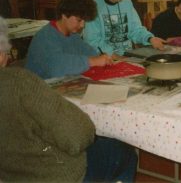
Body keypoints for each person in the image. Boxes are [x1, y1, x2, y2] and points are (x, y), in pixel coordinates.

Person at [0, 17, 137, 182]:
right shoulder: (19, 81)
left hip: (12, 174)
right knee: (124, 151)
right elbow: (78, 137)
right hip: (53, 175)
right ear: (1, 56)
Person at [26, 0, 113, 79]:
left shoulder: (73, 35)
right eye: (79, 20)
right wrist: (93, 61)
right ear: (64, 15)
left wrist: (100, 57)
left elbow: (86, 51)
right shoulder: (45, 37)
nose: (82, 25)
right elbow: (56, 66)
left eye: (84, 21)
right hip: (39, 88)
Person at [83, 0, 165, 57]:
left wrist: (150, 38)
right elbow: (92, 40)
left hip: (128, 54)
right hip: (104, 57)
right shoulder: (93, 5)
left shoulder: (127, 3)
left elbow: (136, 29)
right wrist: (113, 55)